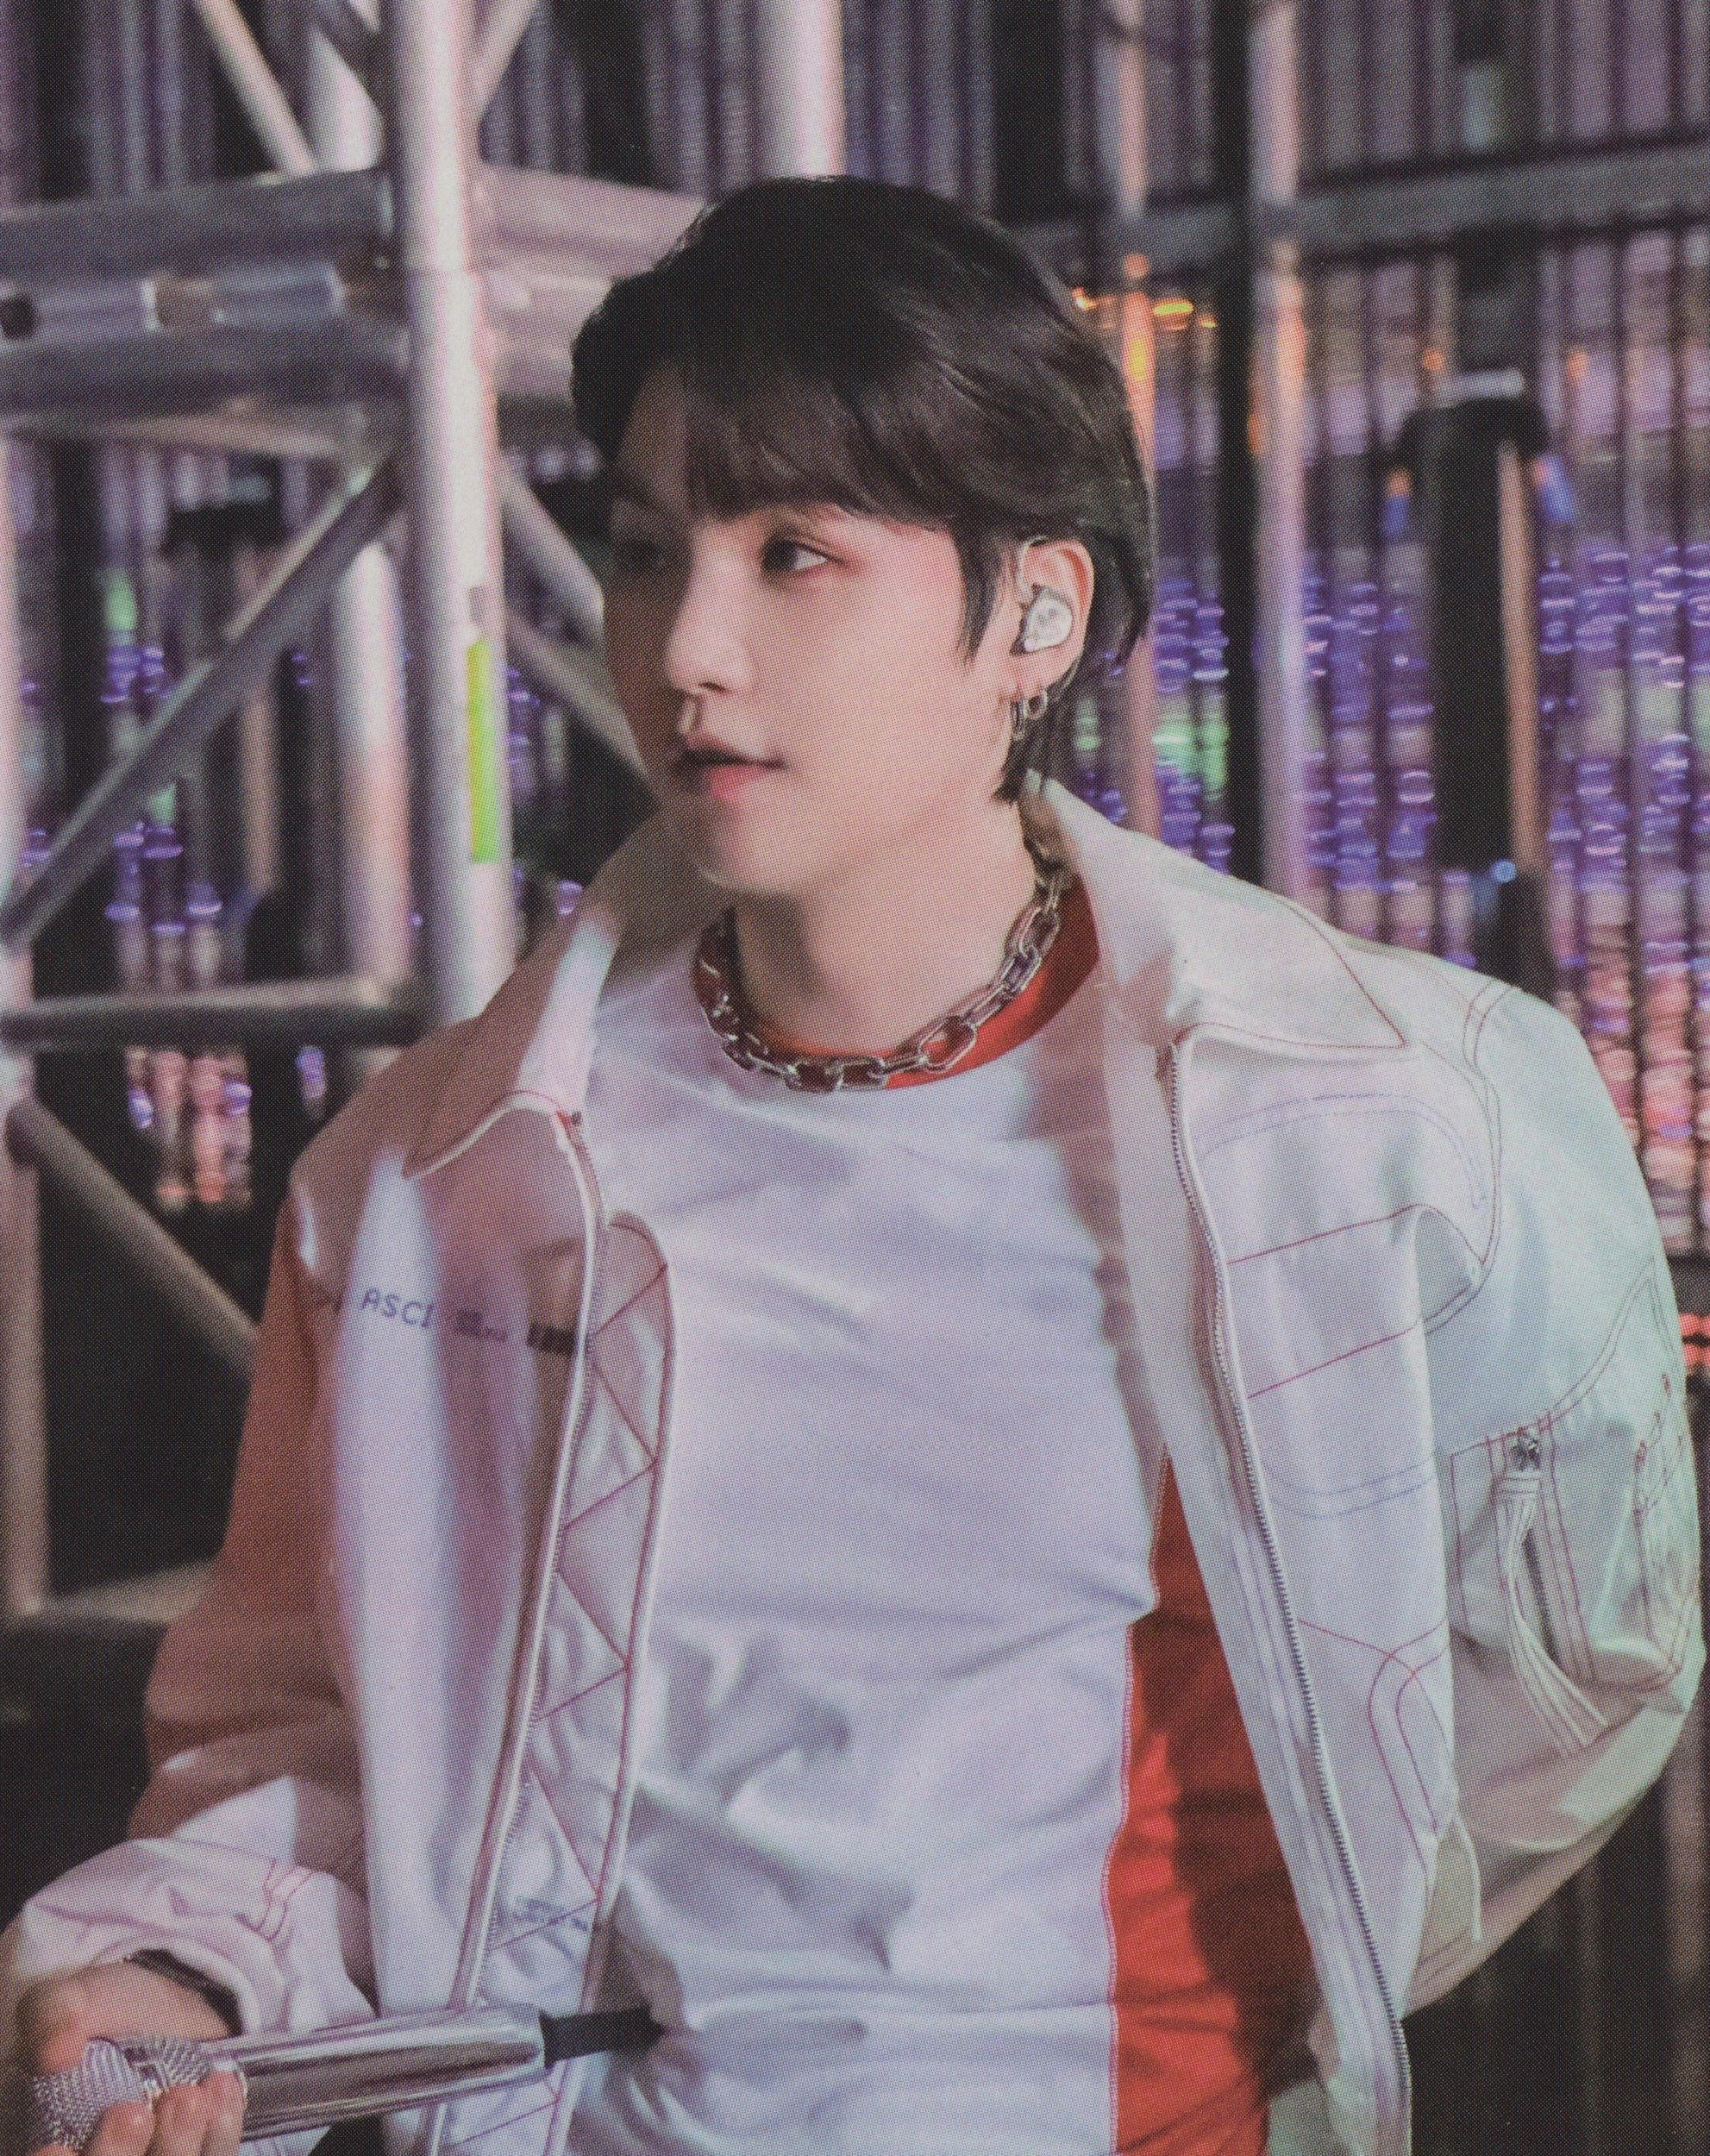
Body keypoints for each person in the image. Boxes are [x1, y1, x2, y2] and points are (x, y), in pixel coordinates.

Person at [2, 176, 1701, 2156]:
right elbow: (311, 1734)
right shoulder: (435, 1175)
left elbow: (1563, 1670)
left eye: (793, 552)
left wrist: (1216, 1989)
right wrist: (178, 1970)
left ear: (1033, 612)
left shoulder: (1384, 1118)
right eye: (648, 550)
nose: (688, 646)